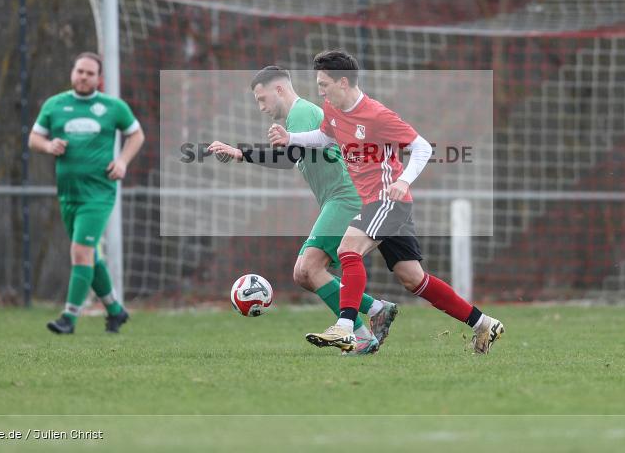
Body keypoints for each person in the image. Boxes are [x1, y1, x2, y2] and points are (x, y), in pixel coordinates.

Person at [268, 50, 504, 355]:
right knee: (413, 279)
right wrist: (291, 139)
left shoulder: (377, 115)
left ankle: (345, 328)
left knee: (347, 250)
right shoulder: (333, 109)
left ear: (343, 82)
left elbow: (421, 148)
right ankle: (483, 323)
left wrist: (403, 180)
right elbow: (326, 138)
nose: (320, 91)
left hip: (387, 200)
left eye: (324, 84)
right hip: (378, 204)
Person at [208, 66, 398, 355]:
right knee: (303, 273)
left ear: (279, 90)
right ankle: (375, 310)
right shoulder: (297, 117)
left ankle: (360, 334)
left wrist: (240, 153)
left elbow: (287, 159)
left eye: (262, 99)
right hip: (338, 199)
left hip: (346, 197)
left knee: (308, 268)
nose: (261, 107)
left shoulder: (302, 112)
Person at [29, 52, 145, 334]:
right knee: (89, 253)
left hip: (99, 192)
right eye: (79, 71)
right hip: (68, 193)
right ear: (73, 72)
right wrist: (48, 146)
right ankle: (116, 312)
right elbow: (34, 138)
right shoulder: (55, 105)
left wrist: (121, 162)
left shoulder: (112, 107)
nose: (83, 76)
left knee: (80, 251)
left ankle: (69, 318)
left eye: (89, 73)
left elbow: (137, 135)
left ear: (99, 79)